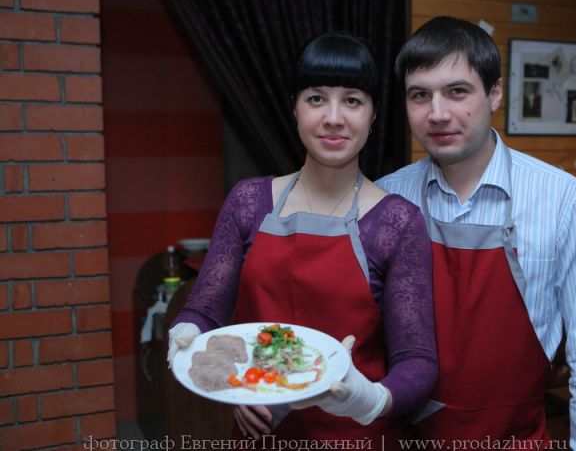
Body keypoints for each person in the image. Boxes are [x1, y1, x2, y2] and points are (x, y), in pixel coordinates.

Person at [166, 31, 437, 447]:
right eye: (316, 98)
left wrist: (370, 398)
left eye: (352, 100)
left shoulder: (397, 221)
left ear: (373, 115)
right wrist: (214, 362)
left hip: (357, 438)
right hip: (259, 436)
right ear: (295, 107)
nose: (334, 118)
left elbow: (417, 361)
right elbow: (206, 312)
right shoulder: (248, 202)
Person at [376, 16, 576, 450]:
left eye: (457, 91)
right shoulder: (386, 199)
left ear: (494, 93)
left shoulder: (562, 199)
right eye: (420, 95)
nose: (437, 113)